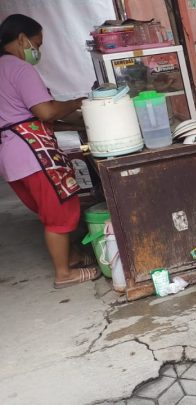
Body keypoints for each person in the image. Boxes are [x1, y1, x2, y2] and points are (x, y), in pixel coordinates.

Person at [0, 14, 98, 289]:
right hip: (32, 155)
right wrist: (76, 103)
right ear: (21, 39)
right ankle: (63, 274)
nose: (37, 52)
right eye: (36, 44)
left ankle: (73, 256)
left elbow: (21, 115)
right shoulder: (19, 68)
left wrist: (66, 118)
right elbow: (44, 111)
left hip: (11, 158)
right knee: (60, 211)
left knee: (48, 211)